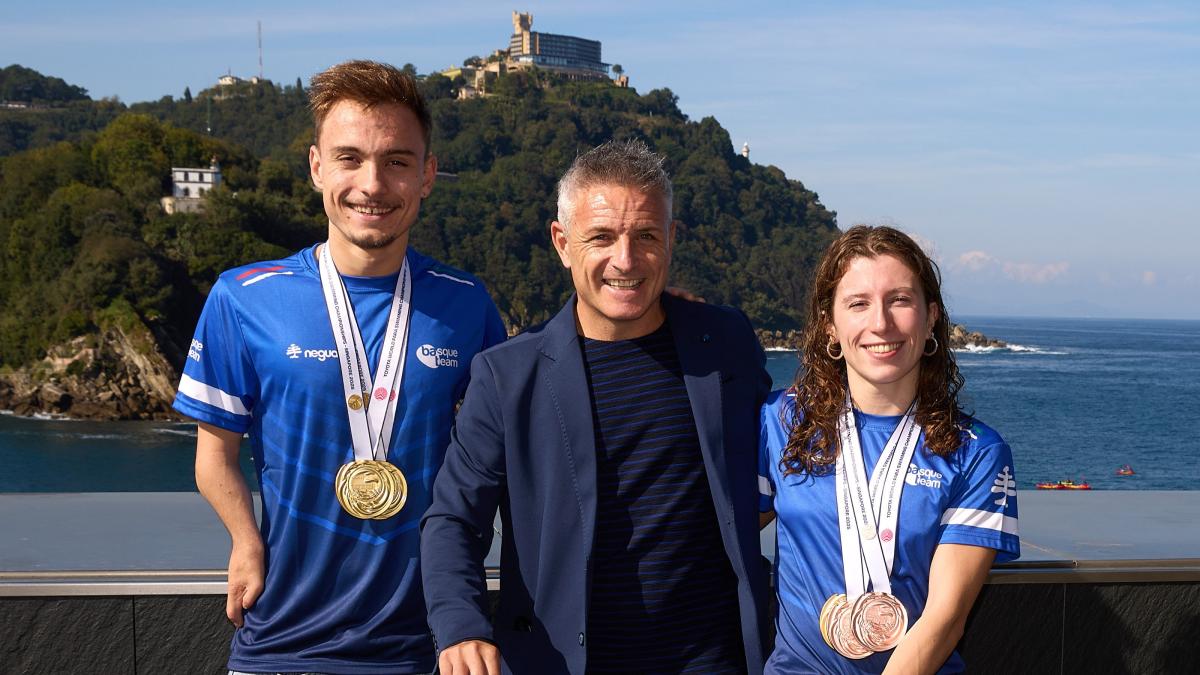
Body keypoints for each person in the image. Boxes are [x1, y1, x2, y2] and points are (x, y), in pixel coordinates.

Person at [173, 60, 506, 674]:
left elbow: (496, 463)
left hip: (426, 648)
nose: (372, 184)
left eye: (397, 161)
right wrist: (246, 540)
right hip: (280, 642)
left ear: (427, 175)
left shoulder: (465, 302)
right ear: (317, 167)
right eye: (349, 158)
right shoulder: (244, 297)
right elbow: (213, 455)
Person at [421, 139, 771, 675]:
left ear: (672, 239)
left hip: (715, 661)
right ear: (562, 243)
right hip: (563, 664)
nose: (625, 260)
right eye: (601, 237)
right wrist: (460, 625)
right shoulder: (507, 376)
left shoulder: (725, 343)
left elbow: (788, 445)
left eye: (646, 236)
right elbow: (451, 517)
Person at [758, 225, 1020, 674]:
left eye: (900, 299)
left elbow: (945, 618)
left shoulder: (976, 453)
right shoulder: (780, 422)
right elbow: (720, 536)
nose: (880, 323)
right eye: (858, 304)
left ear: (931, 315)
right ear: (830, 326)